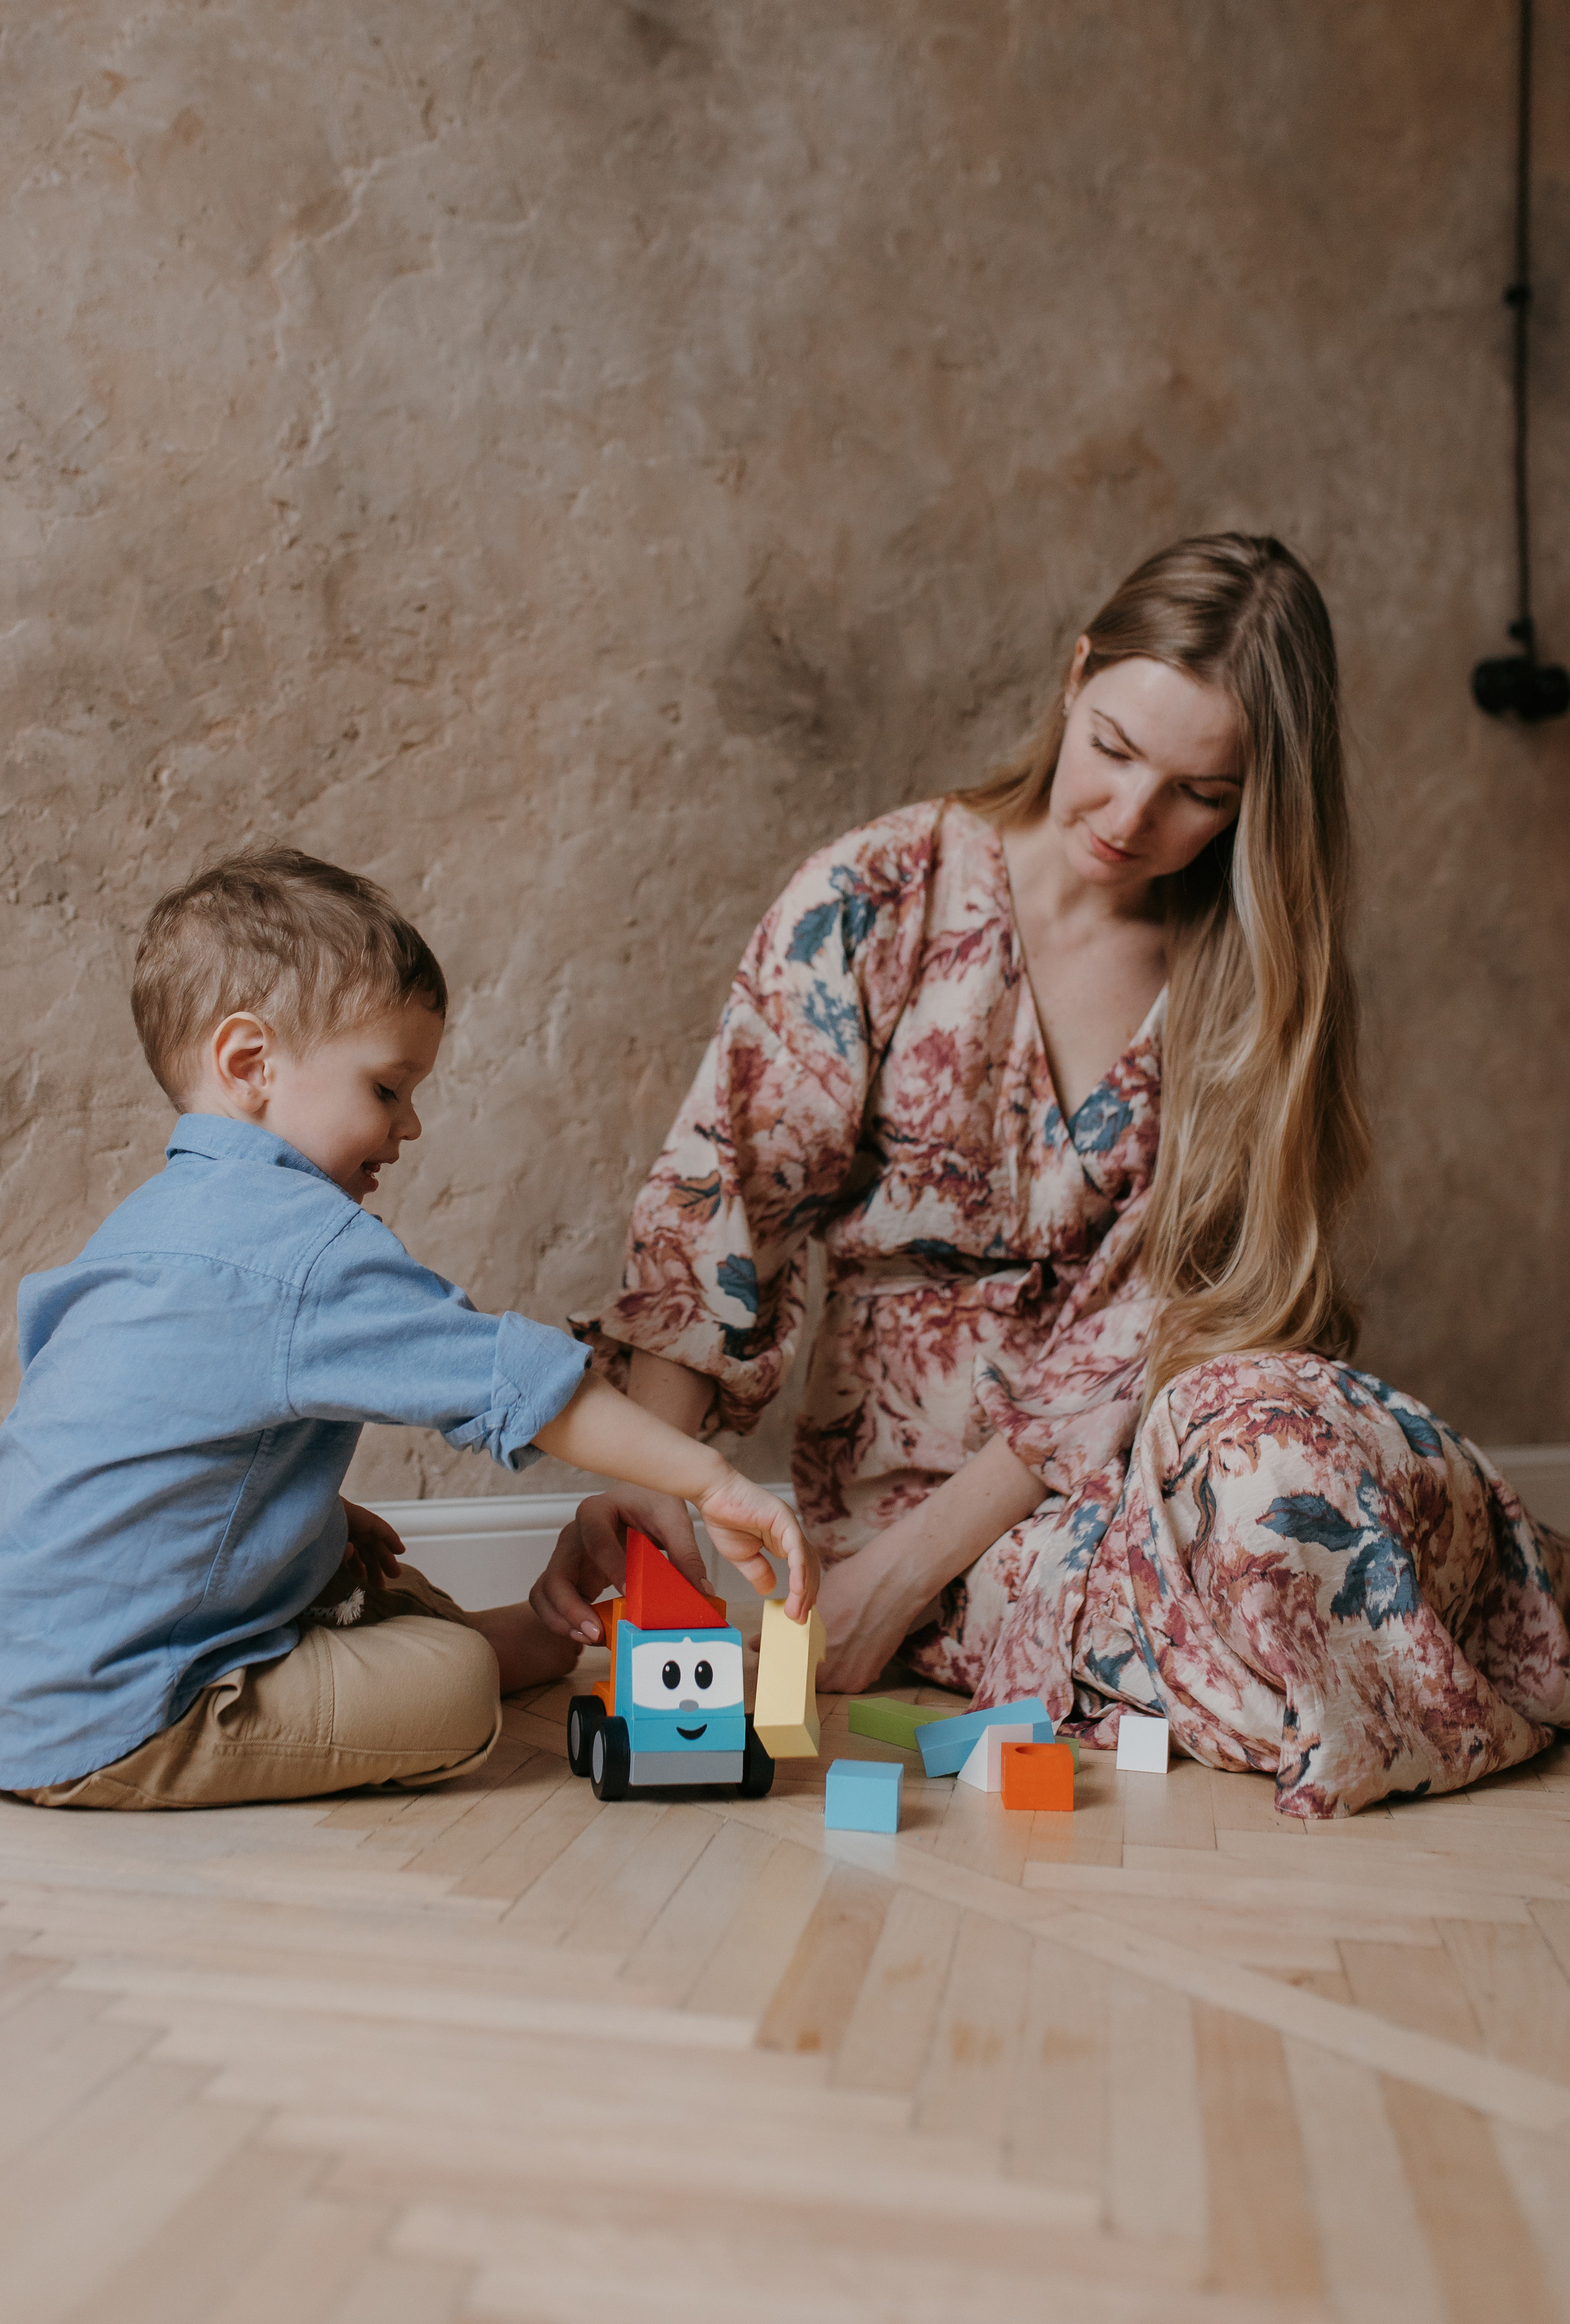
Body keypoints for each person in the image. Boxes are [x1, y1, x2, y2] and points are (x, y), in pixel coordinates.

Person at [535, 533, 1570, 1817]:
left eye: (1200, 793)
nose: (1130, 820)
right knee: (1240, 1652)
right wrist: (648, 1494)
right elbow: (719, 1209)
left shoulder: (1255, 985)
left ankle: (1475, 1621)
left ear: (1258, 801)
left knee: (1270, 1457)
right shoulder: (878, 895)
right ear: (1073, 678)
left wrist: (909, 1573)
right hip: (921, 1523)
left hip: (1136, 1468)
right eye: (1114, 749)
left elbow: (1178, 1324)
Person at [0, 847, 814, 1810]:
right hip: (117, 1717)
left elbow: (119, 1441)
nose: (411, 1127)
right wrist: (709, 1477)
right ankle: (482, 1651)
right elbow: (508, 1375)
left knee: (360, 1570)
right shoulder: (302, 1247)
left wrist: (299, 1508)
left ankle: (526, 1632)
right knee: (452, 1690)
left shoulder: (149, 1222)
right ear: (250, 1064)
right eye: (388, 1089)